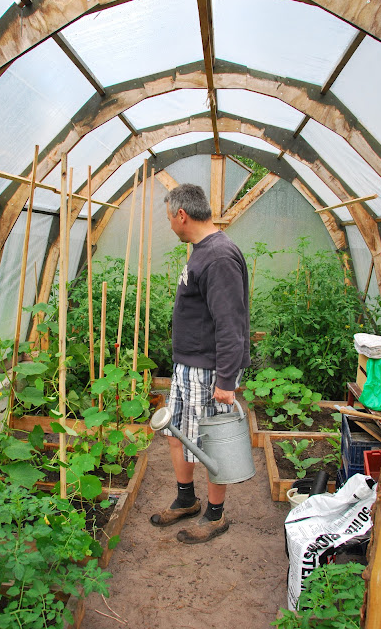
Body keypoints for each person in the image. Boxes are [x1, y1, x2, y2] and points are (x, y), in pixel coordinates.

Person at [150, 183, 250, 544]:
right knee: (177, 434)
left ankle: (216, 515)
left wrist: (225, 380)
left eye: (169, 218)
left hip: (208, 370)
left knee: (211, 443)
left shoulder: (219, 257)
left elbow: (230, 325)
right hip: (188, 366)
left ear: (182, 215)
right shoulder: (202, 250)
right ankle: (186, 500)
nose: (169, 225)